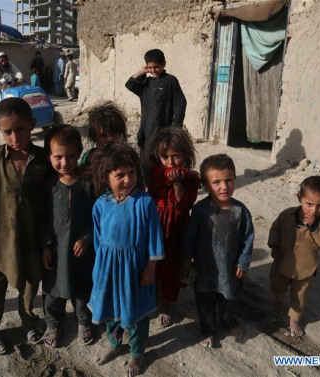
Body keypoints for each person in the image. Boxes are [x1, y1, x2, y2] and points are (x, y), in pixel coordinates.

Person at [0, 97, 48, 355]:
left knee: (29, 281)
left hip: (30, 233)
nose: (15, 137)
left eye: (21, 129)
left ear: (33, 124)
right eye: (8, 132)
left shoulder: (42, 158)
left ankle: (28, 320)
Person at [88, 142, 164, 377]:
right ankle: (114, 343)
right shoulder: (101, 205)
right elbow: (99, 240)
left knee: (136, 313)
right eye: (119, 175)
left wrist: (150, 267)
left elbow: (154, 236)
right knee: (109, 308)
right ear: (106, 176)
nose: (127, 179)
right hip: (108, 269)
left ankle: (136, 352)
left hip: (134, 269)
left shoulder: (144, 202)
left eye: (131, 173)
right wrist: (99, 271)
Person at [182, 154, 254, 348]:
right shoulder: (199, 210)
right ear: (206, 186)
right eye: (216, 182)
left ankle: (227, 321)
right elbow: (189, 237)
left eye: (228, 180)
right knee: (205, 303)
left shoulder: (240, 211)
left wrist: (244, 261)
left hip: (230, 270)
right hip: (205, 270)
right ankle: (208, 329)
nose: (224, 186)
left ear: (235, 179)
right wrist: (186, 259)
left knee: (229, 300)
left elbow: (248, 238)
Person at [40, 125, 96, 348]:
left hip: (80, 249)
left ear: (79, 153)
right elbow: (41, 217)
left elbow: (97, 217)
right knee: (53, 288)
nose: (65, 162)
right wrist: (45, 245)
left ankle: (83, 320)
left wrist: (86, 238)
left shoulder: (88, 185)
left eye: (71, 156)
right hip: (54, 249)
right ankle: (53, 323)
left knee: (82, 286)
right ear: (49, 157)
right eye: (58, 157)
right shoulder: (47, 185)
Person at [269, 176, 320, 337]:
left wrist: (315, 227)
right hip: (282, 262)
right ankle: (278, 303)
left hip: (306, 268)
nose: (314, 210)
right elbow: (275, 229)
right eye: (309, 204)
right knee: (277, 286)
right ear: (300, 198)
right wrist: (274, 246)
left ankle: (294, 320)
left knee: (299, 296)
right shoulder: (287, 215)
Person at [148, 128, 200, 328]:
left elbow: (184, 205)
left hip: (177, 229)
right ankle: (152, 296)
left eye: (175, 156)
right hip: (156, 227)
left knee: (171, 267)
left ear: (185, 155)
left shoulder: (190, 181)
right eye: (165, 157)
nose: (170, 162)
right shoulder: (156, 172)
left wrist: (179, 182)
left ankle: (165, 305)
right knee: (154, 265)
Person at [125, 49, 187, 176]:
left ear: (163, 64)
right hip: (147, 130)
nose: (153, 71)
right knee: (147, 161)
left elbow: (181, 103)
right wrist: (143, 71)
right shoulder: (146, 83)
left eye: (156, 67)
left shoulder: (170, 81)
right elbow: (129, 84)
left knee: (163, 160)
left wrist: (175, 127)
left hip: (163, 129)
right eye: (150, 68)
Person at [78, 101, 128, 180]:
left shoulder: (127, 158)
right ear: (94, 138)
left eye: (114, 134)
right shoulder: (88, 158)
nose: (110, 139)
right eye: (103, 136)